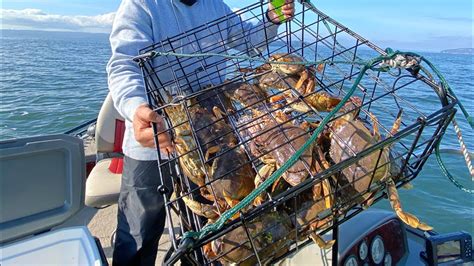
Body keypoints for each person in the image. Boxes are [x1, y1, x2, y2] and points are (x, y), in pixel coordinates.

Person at [106, 0, 295, 265]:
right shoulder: (141, 5)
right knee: (139, 230)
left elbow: (249, 40)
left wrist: (271, 19)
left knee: (207, 227)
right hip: (155, 133)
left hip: (211, 138)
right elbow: (124, 64)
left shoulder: (215, 6)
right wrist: (136, 107)